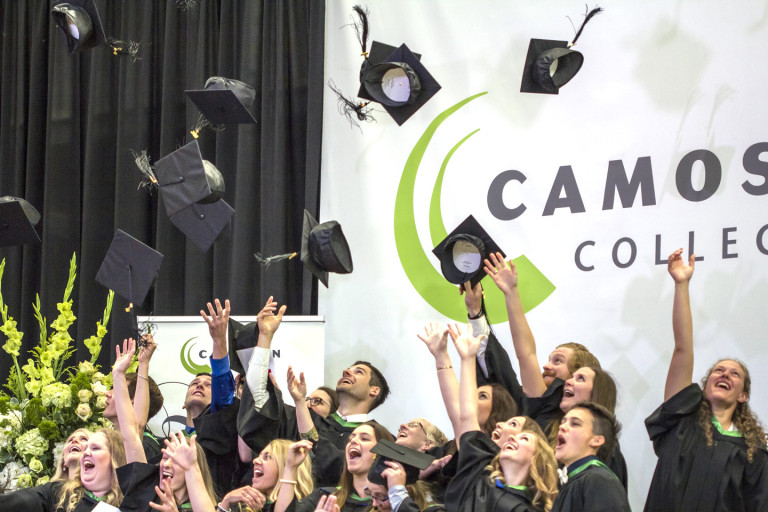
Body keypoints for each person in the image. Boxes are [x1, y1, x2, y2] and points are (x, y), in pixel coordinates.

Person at [483, 252, 627, 490]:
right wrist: (511, 293)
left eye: (577, 377)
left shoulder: (606, 452)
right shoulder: (544, 412)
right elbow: (526, 355)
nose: (546, 367)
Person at [643, 249, 768, 512]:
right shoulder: (680, 422)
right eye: (718, 370)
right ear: (705, 383)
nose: (724, 374)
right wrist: (681, 285)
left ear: (743, 395)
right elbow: (682, 349)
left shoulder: (753, 452)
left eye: (735, 374)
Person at [237, 296, 391, 486]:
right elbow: (259, 400)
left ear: (374, 391)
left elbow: (338, 470)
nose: (346, 371)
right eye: (348, 368)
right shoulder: (304, 418)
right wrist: (265, 337)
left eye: (358, 371)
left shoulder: (379, 439)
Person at [444, 322, 558, 512]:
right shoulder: (479, 476)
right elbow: (466, 417)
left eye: (524, 437)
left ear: (538, 459)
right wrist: (466, 359)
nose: (512, 437)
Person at [112, 337, 217, 512]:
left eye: (174, 460)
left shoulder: (203, 507)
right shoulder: (146, 495)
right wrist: (118, 375)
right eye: (164, 459)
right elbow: (131, 434)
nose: (165, 465)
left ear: (194, 469)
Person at [273, 422, 395, 512]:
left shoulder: (390, 504)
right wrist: (290, 468)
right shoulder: (326, 496)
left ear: (381, 453)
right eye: (351, 438)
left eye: (364, 438)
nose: (353, 441)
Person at [0, 428, 127, 511]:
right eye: (86, 448)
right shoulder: (57, 494)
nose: (86, 453)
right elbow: (16, 503)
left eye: (95, 448)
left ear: (115, 457)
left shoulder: (130, 503)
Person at [551, 403, 629, 512]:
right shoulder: (572, 482)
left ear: (596, 440)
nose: (562, 427)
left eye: (575, 423)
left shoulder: (600, 481)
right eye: (563, 422)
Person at [102, 333, 165, 463]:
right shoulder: (103, 442)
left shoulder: (146, 446)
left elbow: (138, 426)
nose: (107, 393)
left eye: (117, 389)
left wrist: (143, 364)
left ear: (132, 401)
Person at [218, 438, 314, 512]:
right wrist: (226, 502)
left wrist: (290, 468)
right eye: (259, 456)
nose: (255, 460)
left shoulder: (307, 506)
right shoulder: (242, 506)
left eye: (267, 457)